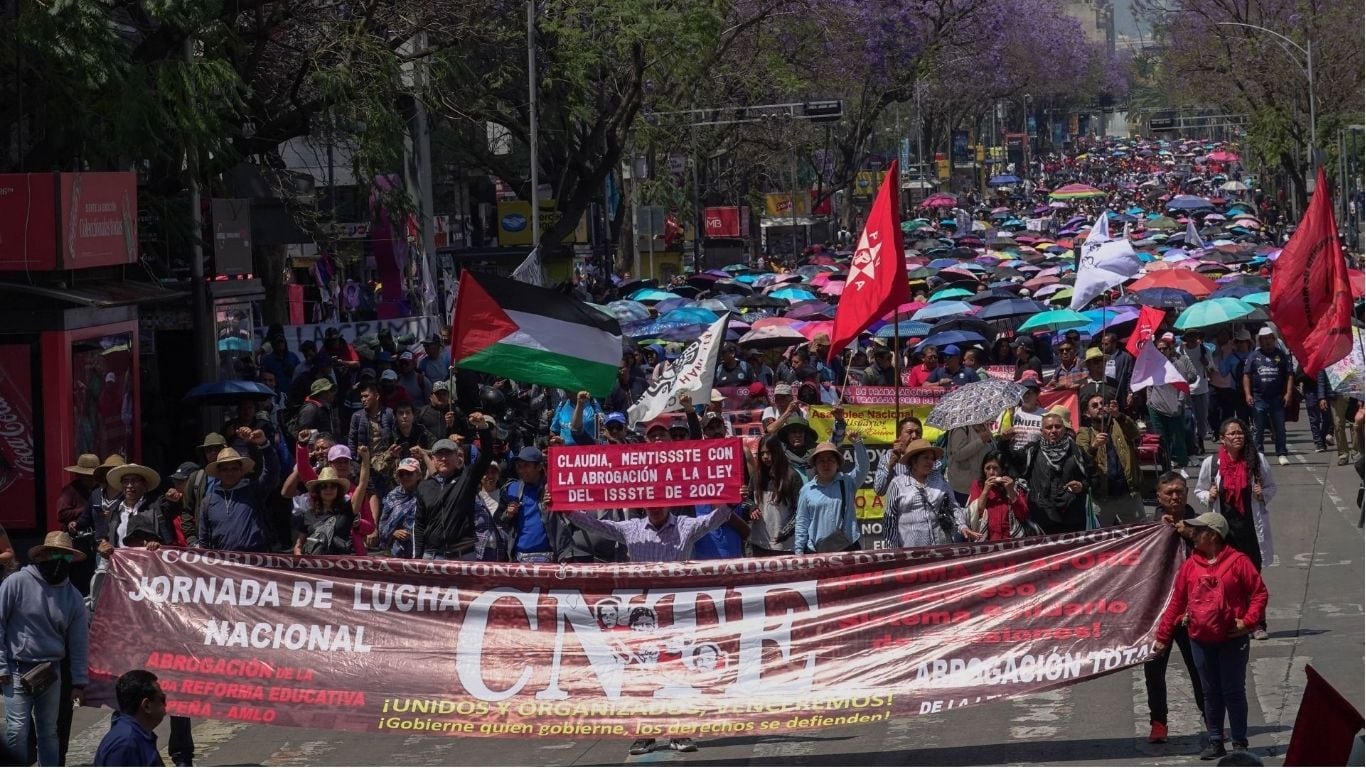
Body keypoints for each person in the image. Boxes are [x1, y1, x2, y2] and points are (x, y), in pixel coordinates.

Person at [1154, 512, 1268, 761]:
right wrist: (1162, 637)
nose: (1193, 534)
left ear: (1214, 535)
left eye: (1198, 530)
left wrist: (1247, 623)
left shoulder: (1239, 562)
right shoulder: (1189, 567)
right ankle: (1215, 740)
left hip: (1232, 639)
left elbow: (1259, 593)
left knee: (1234, 690)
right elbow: (1176, 603)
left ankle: (1239, 743)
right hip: (1200, 638)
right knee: (1210, 692)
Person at [0, 532, 89, 767]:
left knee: (49, 732)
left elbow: (79, 643)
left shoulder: (74, 597)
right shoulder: (16, 582)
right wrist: (0, 666)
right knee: (17, 729)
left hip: (52, 671)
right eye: (56, 554)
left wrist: (79, 682)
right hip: (16, 667)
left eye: (66, 557)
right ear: (43, 555)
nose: (60, 561)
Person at [1195, 418, 1276, 639]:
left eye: (1240, 432)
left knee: (1253, 579)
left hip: (1250, 529)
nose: (1237, 436)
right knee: (1228, 579)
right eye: (1231, 434)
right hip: (1224, 531)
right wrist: (1208, 495)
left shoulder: (1256, 461)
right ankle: (1233, 621)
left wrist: (1262, 493)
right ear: (1222, 439)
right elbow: (1199, 490)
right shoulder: (1212, 464)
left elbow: (1271, 487)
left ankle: (1258, 623)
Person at [1144, 472, 1206, 746]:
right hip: (1160, 612)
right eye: (1168, 492)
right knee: (1154, 671)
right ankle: (1158, 722)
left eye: (1179, 491)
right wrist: (1159, 528)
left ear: (1187, 492)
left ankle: (1211, 720)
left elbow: (1218, 552)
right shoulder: (1148, 527)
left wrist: (1190, 533)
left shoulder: (1202, 524)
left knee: (1201, 670)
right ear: (1158, 496)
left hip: (1194, 612)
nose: (1174, 496)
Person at [997, 411, 1093, 534]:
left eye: (1057, 427)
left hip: (1073, 517)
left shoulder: (1077, 452)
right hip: (1042, 516)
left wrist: (1082, 486)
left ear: (1065, 429)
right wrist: (1004, 442)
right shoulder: (1032, 451)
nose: (1053, 430)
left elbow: (1092, 477)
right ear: (1042, 432)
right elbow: (1009, 462)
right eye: (1049, 427)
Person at [414, 414, 495, 560]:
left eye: (448, 453)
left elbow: (487, 455)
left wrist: (483, 428)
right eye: (439, 454)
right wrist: (417, 559)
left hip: (463, 556)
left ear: (457, 457)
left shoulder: (467, 478)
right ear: (433, 459)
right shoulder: (424, 486)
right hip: (431, 556)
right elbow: (419, 525)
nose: (444, 458)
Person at [198, 436, 281, 553]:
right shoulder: (208, 501)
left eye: (234, 468)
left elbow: (271, 472)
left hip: (256, 560)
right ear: (218, 472)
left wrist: (264, 445)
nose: (230, 472)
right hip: (223, 565)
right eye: (225, 469)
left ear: (241, 471)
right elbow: (204, 539)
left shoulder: (254, 491)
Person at [1076, 390, 1144, 525]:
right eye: (1094, 406)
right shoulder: (1085, 432)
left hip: (1128, 495)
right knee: (1101, 539)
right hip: (1102, 499)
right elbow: (1081, 460)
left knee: (1139, 535)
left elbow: (1135, 433)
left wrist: (1119, 415)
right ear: (1087, 413)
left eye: (1103, 404)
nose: (1100, 407)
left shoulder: (1120, 423)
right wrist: (1094, 446)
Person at [883, 439, 968, 546]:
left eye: (932, 459)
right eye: (925, 458)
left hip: (940, 548)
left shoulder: (939, 481)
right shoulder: (897, 484)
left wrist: (962, 525)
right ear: (914, 461)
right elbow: (890, 521)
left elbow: (954, 506)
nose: (930, 462)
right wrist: (893, 553)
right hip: (911, 553)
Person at [793, 436, 868, 555]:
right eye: (821, 461)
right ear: (815, 466)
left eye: (830, 460)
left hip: (848, 548)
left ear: (837, 464)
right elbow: (802, 522)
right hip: (817, 552)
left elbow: (863, 469)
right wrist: (799, 552)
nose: (826, 464)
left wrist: (858, 444)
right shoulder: (807, 490)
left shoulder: (848, 482)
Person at [293, 459, 369, 555]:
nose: (328, 490)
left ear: (338, 490)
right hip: (315, 567)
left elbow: (362, 485)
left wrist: (365, 458)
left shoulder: (346, 511)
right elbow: (298, 545)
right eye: (324, 486)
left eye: (332, 486)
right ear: (318, 491)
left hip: (342, 567)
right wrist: (301, 560)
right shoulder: (308, 515)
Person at [94, 669, 167, 767]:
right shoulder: (126, 744)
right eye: (162, 699)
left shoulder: (135, 735)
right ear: (146, 706)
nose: (165, 704)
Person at [1242, 327, 1293, 465]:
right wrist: (1247, 394)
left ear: (1274, 339)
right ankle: (1258, 454)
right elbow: (1246, 375)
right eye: (1264, 339)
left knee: (1280, 427)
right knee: (1258, 429)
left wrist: (1288, 393)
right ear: (1260, 341)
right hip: (1259, 398)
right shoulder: (1253, 356)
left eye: (1270, 338)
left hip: (1277, 398)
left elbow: (1289, 375)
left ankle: (1281, 453)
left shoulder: (1281, 355)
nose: (1268, 341)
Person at [747, 436, 801, 556]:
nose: (765, 457)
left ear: (778, 452)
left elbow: (800, 511)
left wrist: (785, 532)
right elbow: (747, 499)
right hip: (759, 543)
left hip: (785, 546)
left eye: (769, 452)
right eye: (762, 453)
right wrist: (752, 507)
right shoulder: (756, 476)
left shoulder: (792, 477)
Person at [1147, 337, 1196, 470]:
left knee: (1177, 436)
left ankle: (1182, 464)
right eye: (1159, 349)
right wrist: (1149, 401)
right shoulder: (1154, 365)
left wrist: (1180, 402)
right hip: (1156, 405)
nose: (1162, 351)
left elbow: (1183, 385)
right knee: (1161, 438)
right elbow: (1150, 385)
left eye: (1164, 348)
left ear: (1170, 350)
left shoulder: (1178, 364)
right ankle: (1165, 464)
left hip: (1174, 406)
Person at [965, 451, 1034, 540]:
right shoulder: (978, 485)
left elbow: (1023, 514)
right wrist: (986, 490)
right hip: (987, 540)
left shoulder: (1015, 485)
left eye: (995, 468)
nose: (991, 472)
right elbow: (976, 513)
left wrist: (1010, 490)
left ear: (1002, 469)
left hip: (1011, 540)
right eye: (987, 468)